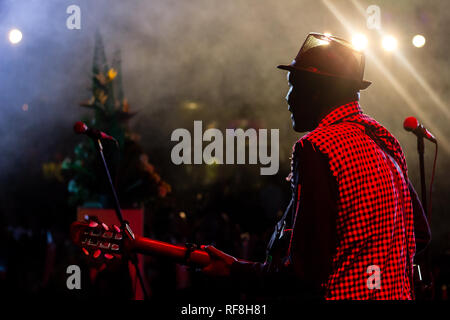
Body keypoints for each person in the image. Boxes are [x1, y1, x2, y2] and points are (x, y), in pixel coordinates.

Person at [201, 33, 430, 300]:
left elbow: (306, 270)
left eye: (294, 85)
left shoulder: (317, 146)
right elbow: (420, 234)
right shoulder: (383, 138)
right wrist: (377, 273)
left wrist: (236, 270)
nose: (288, 98)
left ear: (316, 90)